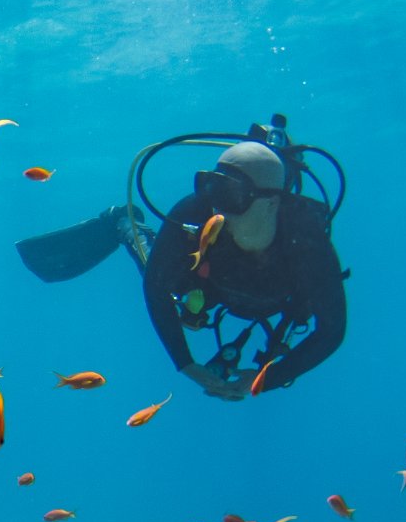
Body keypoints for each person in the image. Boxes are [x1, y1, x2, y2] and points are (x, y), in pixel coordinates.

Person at [17, 122, 348, 400]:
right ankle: (126, 223)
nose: (217, 208)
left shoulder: (307, 239)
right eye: (213, 188)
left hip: (277, 296)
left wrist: (269, 377)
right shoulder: (195, 212)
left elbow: (332, 330)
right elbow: (155, 288)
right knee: (160, 272)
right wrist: (185, 363)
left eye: (231, 195)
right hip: (207, 281)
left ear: (271, 203)